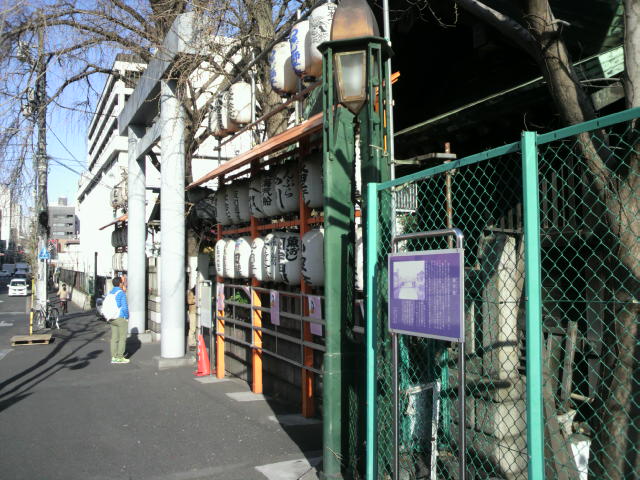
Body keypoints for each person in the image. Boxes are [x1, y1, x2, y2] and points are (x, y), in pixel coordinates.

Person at [109, 277, 130, 364]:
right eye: (122, 282)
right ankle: (120, 357)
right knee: (122, 338)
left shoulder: (110, 292)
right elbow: (124, 307)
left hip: (111, 318)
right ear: (120, 283)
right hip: (120, 317)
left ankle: (114, 357)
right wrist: (127, 316)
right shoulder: (121, 293)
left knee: (114, 338)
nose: (123, 284)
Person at [187, 286, 197, 350]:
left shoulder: (198, 292)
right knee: (192, 328)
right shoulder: (191, 292)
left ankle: (195, 342)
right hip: (192, 312)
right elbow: (189, 301)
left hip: (197, 312)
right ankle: (191, 343)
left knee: (196, 328)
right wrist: (196, 300)